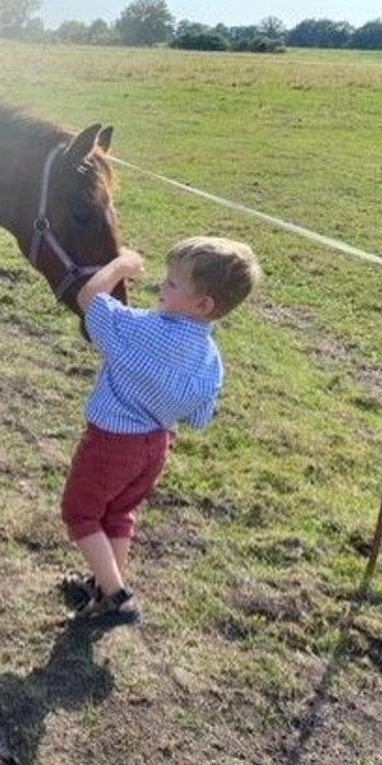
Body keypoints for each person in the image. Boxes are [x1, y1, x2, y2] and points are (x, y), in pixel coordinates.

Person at [61, 236, 262, 623]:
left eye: (171, 284)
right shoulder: (210, 358)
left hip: (110, 444)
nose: (160, 287)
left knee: (80, 512)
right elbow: (199, 418)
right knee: (118, 514)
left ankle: (118, 597)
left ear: (203, 304)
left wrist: (122, 264)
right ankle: (104, 587)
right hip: (155, 447)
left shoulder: (143, 329)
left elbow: (90, 301)